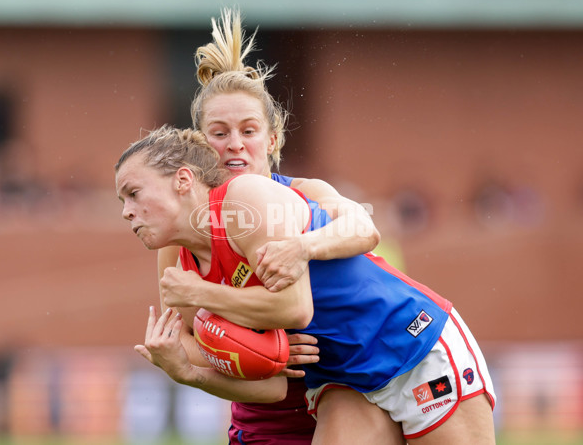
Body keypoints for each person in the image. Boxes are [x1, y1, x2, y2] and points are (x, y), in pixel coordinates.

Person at [116, 126, 496, 444]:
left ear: (183, 179)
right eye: (122, 200)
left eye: (134, 193)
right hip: (339, 376)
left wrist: (201, 296)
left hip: (410, 344)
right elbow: (272, 386)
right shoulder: (178, 262)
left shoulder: (244, 202)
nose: (126, 211)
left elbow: (296, 308)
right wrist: (186, 371)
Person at [144, 8, 401, 444]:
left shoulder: (305, 192)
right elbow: (181, 334)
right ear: (199, 143)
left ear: (273, 139)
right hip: (262, 411)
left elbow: (364, 229)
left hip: (349, 389)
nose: (235, 144)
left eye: (249, 130)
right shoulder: (183, 231)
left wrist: (303, 247)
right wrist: (264, 351)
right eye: (219, 132)